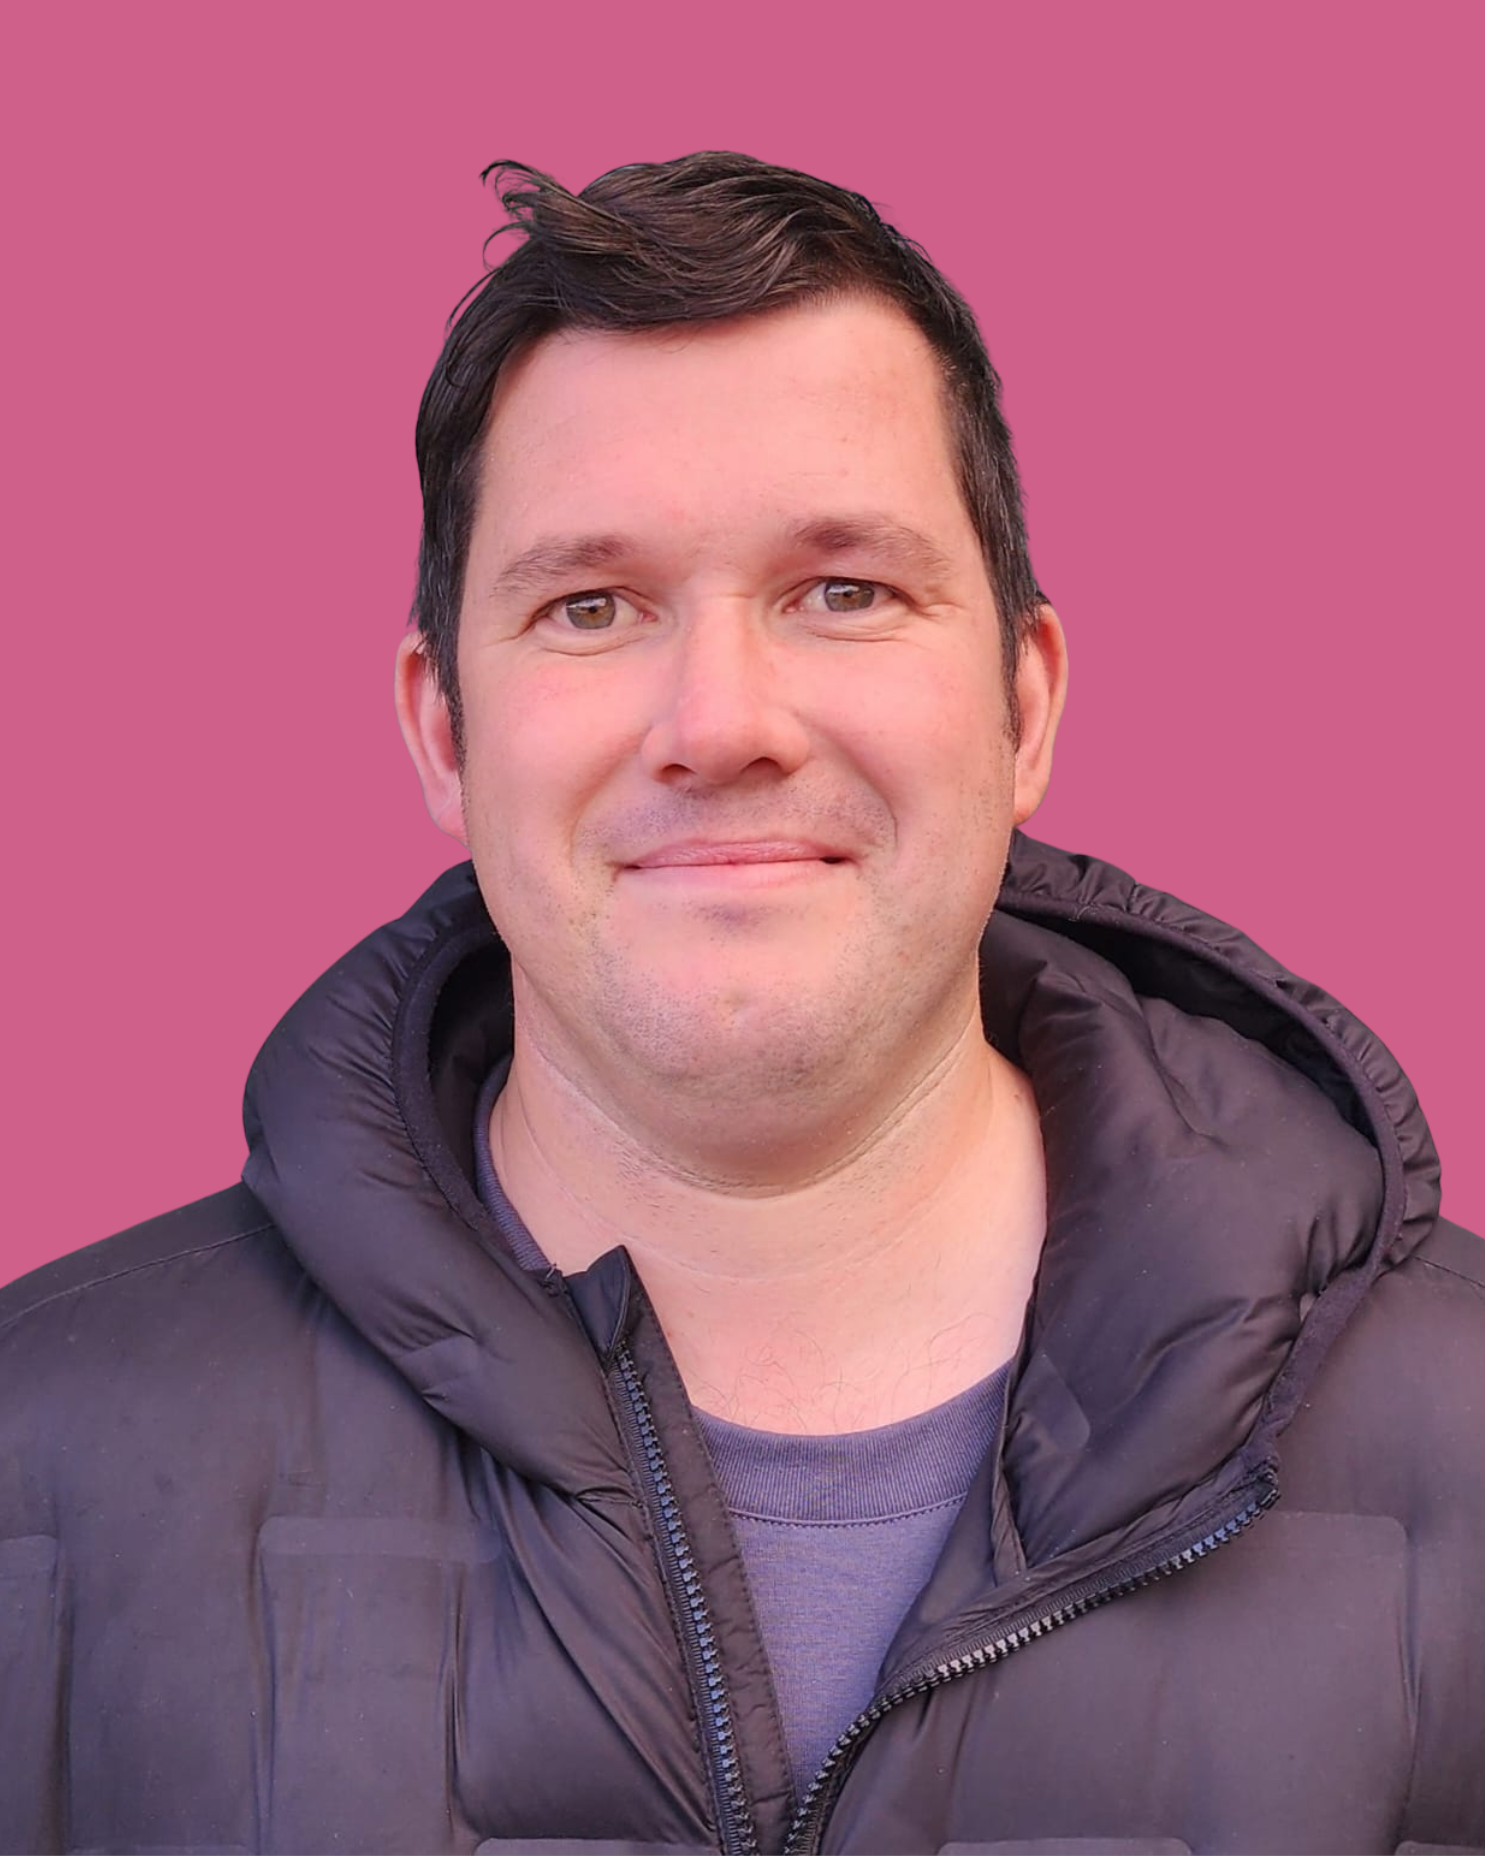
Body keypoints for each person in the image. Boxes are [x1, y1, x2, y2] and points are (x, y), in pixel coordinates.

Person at [2, 151, 1481, 1856]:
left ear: (1025, 704)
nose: (720, 720)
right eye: (592, 605)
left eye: (841, 590)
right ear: (442, 732)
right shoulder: (34, 1451)